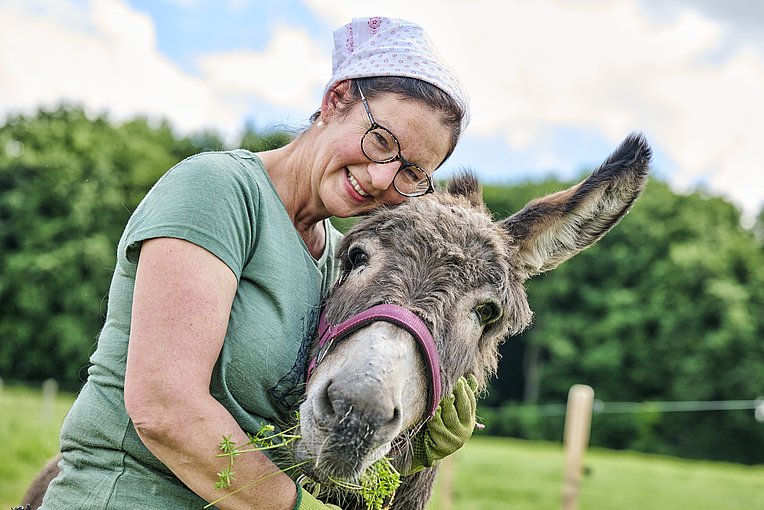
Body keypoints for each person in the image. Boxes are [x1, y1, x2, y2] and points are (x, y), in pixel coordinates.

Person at [40, 16, 475, 510]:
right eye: (381, 140)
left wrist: (409, 454)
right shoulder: (219, 190)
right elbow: (164, 406)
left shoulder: (339, 263)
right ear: (336, 101)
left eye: (412, 172)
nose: (381, 178)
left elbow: (298, 437)